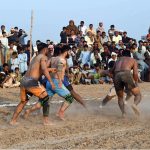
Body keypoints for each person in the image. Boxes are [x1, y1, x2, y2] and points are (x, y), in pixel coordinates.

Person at [10, 42, 56, 125]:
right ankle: (46, 121)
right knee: (46, 98)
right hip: (31, 82)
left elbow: (38, 70)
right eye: (47, 49)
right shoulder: (43, 57)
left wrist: (50, 69)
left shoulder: (35, 58)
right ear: (45, 49)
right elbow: (44, 69)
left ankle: (13, 120)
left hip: (24, 81)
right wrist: (51, 81)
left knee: (23, 102)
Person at [112, 50, 142, 117]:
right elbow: (135, 73)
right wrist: (136, 82)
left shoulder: (117, 60)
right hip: (126, 74)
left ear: (122, 54)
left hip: (117, 75)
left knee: (120, 97)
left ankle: (123, 113)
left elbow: (111, 71)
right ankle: (134, 105)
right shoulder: (133, 60)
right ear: (129, 55)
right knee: (138, 95)